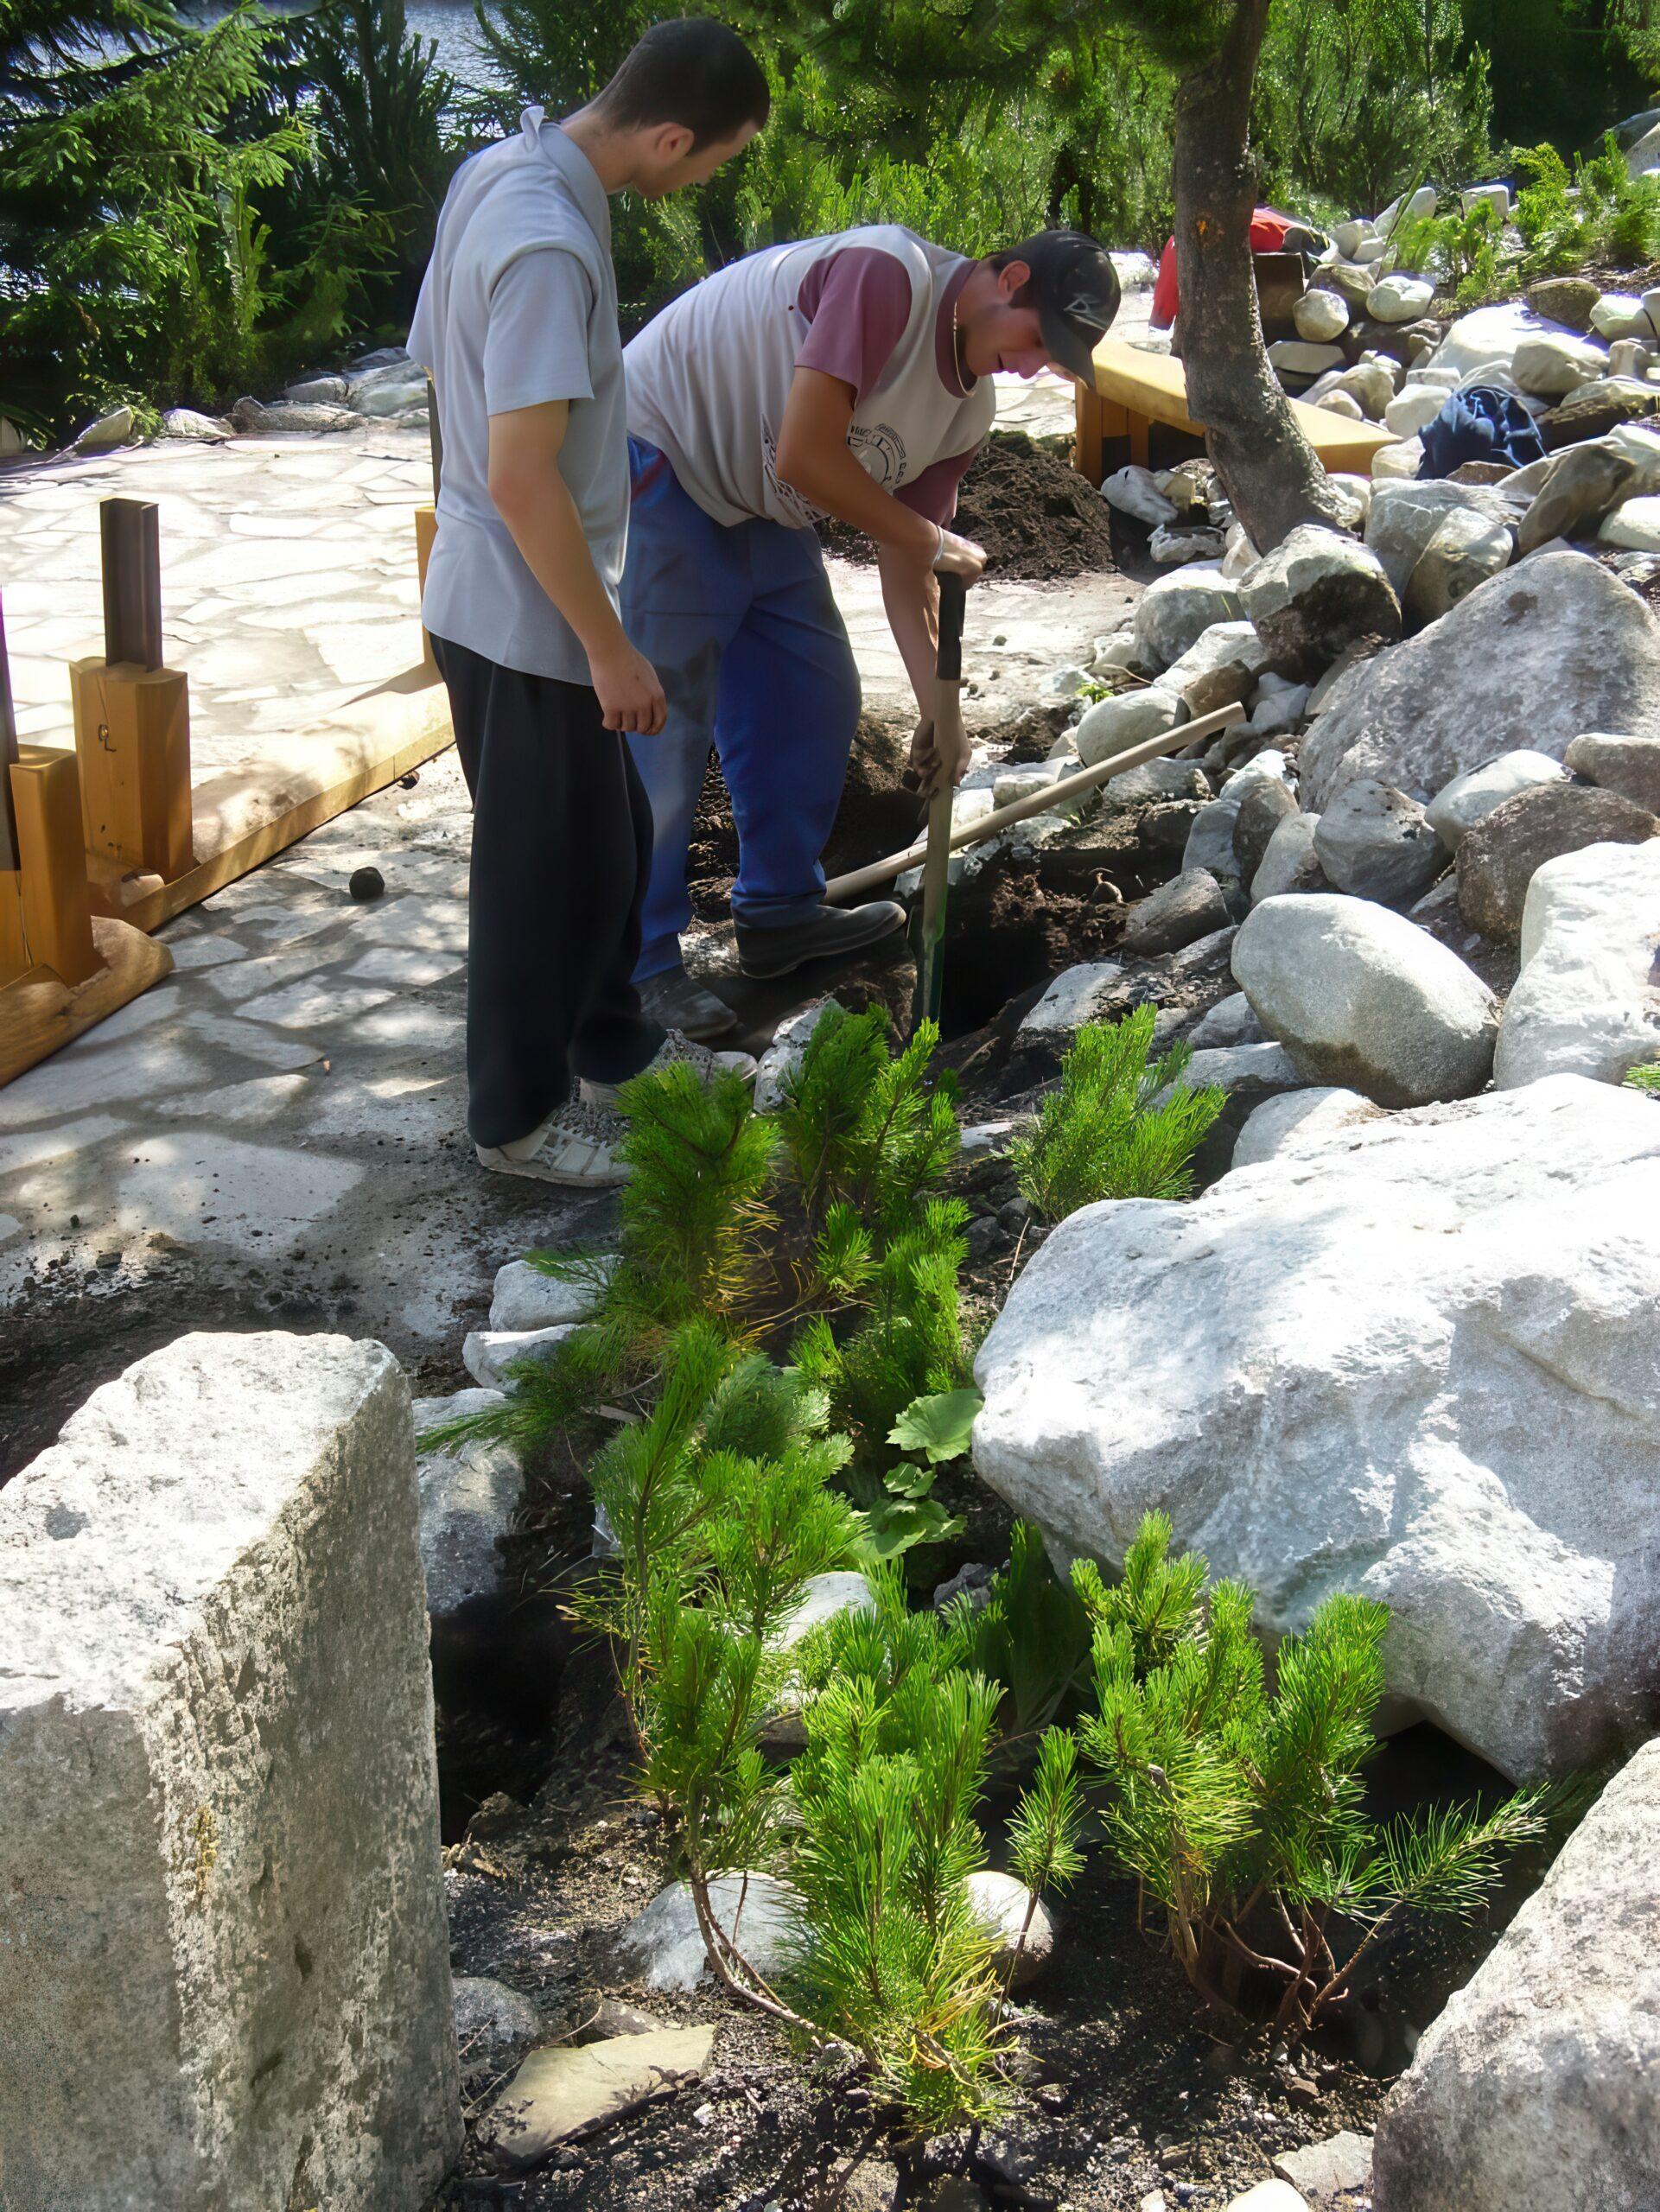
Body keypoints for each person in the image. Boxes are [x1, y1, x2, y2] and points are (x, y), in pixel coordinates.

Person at [408, 20, 768, 1185]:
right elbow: (520, 477)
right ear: (669, 138)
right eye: (715, 160)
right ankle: (516, 1125)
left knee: (603, 848)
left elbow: (436, 366)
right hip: (525, 617)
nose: (705, 181)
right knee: (538, 879)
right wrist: (609, 648)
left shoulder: (505, 169)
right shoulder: (548, 241)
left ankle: (612, 1050)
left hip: (518, 595)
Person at [619, 226, 1123, 1039]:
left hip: (756, 497)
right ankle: (637, 965)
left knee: (811, 696)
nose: (1034, 367)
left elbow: (906, 565)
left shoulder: (965, 413)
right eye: (1038, 340)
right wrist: (931, 539)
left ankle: (778, 915)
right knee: (664, 723)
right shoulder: (885, 277)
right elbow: (805, 458)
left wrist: (940, 710)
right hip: (662, 450)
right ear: (1009, 279)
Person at [1148, 209, 1330, 341]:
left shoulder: (1184, 243)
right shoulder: (1201, 232)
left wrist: (1160, 322)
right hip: (1284, 230)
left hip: (1287, 237)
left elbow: (1166, 295)